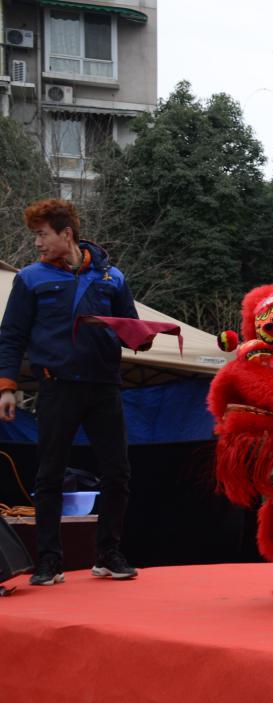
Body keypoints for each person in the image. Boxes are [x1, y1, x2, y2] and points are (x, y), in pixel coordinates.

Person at [0, 199, 147, 585]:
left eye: (42, 235)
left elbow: (130, 328)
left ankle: (109, 554)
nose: (36, 243)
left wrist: (143, 337)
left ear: (66, 234)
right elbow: (11, 336)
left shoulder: (112, 277)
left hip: (104, 387)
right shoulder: (30, 278)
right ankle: (49, 561)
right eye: (35, 236)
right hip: (56, 386)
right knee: (49, 476)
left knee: (118, 473)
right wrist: (7, 386)